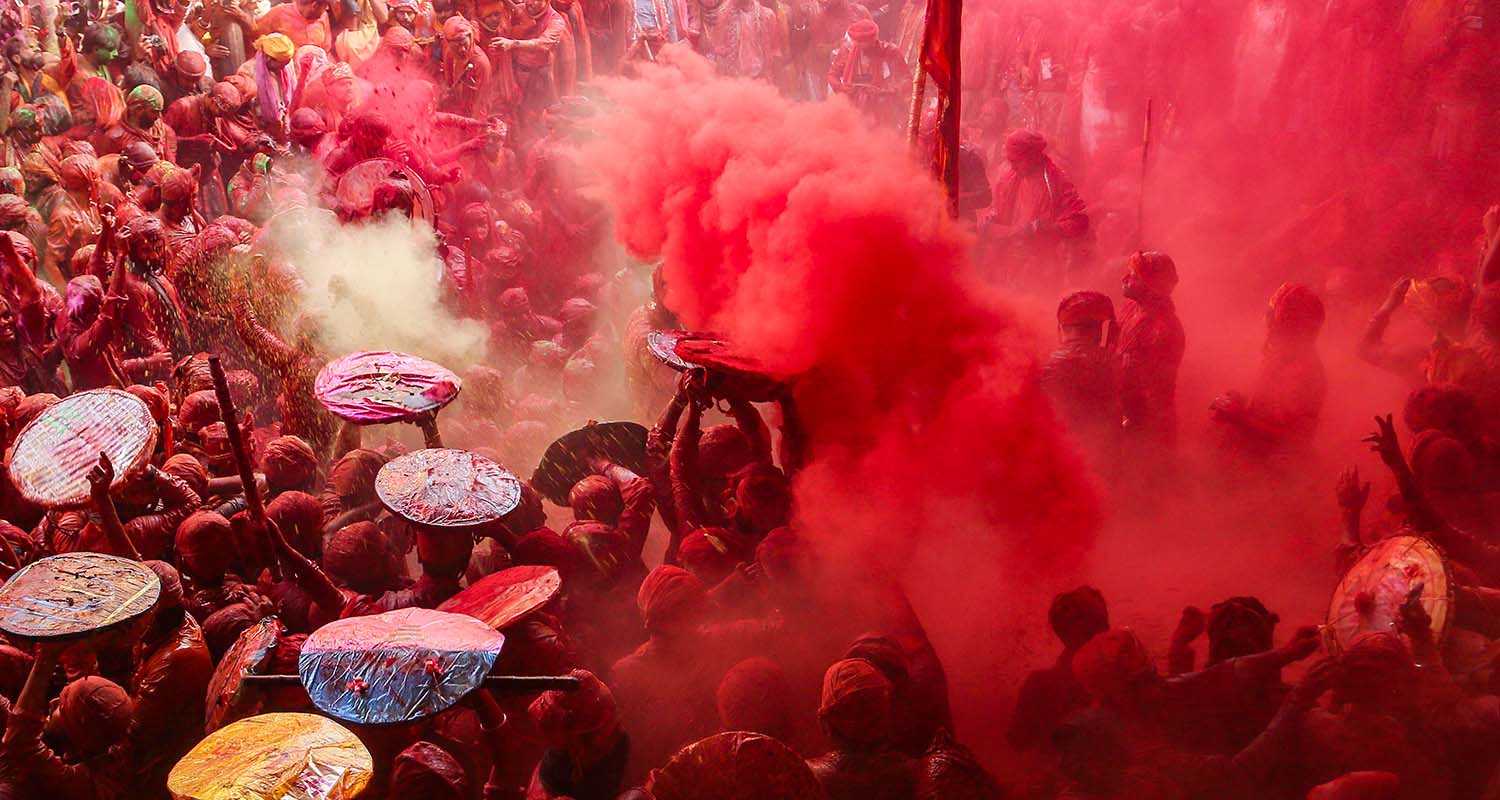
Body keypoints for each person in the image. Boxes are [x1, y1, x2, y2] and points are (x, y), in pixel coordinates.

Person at [1117, 250, 1185, 449]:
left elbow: (1155, 393)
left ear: (1151, 286)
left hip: (1146, 428)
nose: (1125, 279)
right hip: (1124, 415)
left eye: (1134, 276)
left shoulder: (1163, 329)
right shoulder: (1130, 309)